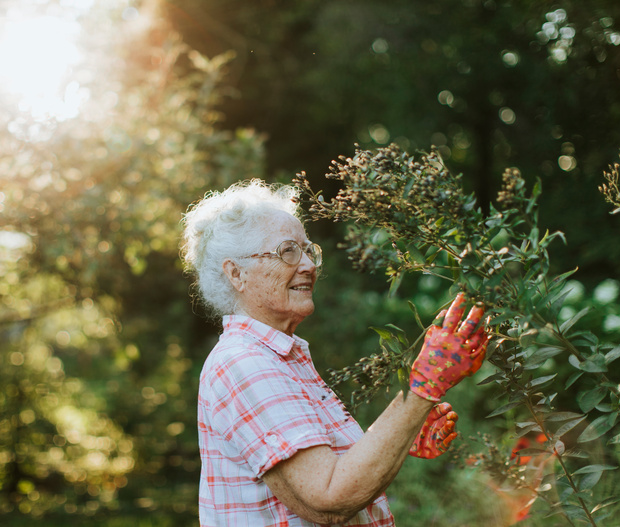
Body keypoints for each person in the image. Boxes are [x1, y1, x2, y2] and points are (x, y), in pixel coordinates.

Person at [180, 179, 489, 526]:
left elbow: (334, 475)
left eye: (308, 250)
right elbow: (327, 499)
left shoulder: (273, 358)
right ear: (236, 273)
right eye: (288, 251)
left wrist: (403, 431)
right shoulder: (246, 362)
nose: (309, 265)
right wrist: (423, 387)